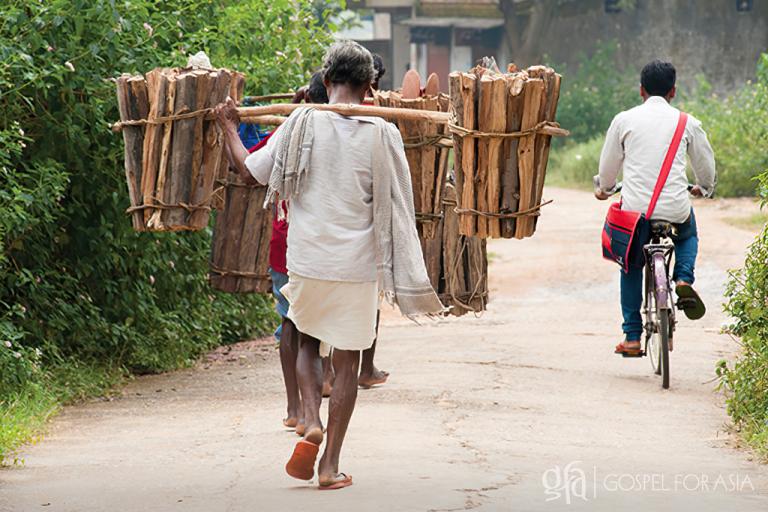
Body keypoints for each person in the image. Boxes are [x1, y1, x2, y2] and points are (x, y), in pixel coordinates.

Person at [215, 40, 443, 490]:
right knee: (347, 361)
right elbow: (396, 202)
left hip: (306, 260)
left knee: (304, 343)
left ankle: (310, 419)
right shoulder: (383, 134)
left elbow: (248, 172)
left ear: (326, 78)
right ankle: (329, 465)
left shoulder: (299, 123)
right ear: (370, 85)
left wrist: (227, 127)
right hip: (357, 266)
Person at [595, 60, 716, 356]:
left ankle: (632, 336)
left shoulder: (624, 120)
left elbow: (608, 168)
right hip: (675, 207)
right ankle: (684, 278)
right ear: (673, 91)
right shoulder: (688, 123)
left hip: (635, 213)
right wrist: (705, 187)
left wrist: (605, 187)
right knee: (687, 233)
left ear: (641, 90)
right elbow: (705, 165)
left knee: (631, 263)